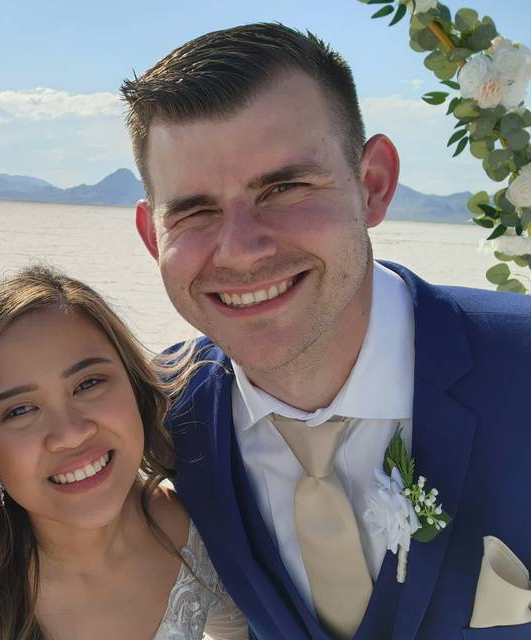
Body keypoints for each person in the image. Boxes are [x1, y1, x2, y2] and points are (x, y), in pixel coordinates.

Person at [122, 22, 531, 640]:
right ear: (155, 238)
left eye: (284, 188)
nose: (239, 251)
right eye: (195, 211)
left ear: (373, 185)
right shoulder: (142, 419)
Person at [0, 265, 246, 640]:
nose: (70, 434)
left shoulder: (193, 528)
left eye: (88, 383)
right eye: (20, 410)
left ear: (133, 385)